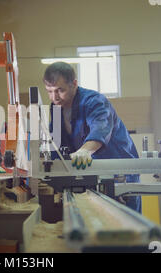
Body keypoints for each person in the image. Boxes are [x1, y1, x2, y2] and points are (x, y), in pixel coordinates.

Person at [44, 62, 141, 213]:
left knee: (126, 221)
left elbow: (100, 128)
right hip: (91, 174)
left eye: (59, 90)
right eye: (49, 91)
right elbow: (56, 143)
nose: (54, 97)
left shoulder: (94, 101)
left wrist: (85, 150)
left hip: (120, 172)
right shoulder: (56, 108)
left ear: (74, 84)